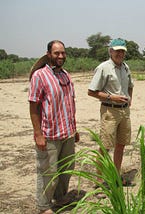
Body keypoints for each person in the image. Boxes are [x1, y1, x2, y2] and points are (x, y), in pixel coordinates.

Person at [28, 40, 79, 214]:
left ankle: (60, 197)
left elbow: (70, 103)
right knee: (48, 171)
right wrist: (38, 134)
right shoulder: (39, 76)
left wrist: (75, 128)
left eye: (63, 53)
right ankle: (43, 206)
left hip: (68, 132)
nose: (61, 56)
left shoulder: (66, 75)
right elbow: (33, 106)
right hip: (49, 134)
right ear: (49, 54)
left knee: (67, 167)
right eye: (57, 53)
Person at [88, 38, 134, 185]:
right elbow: (91, 91)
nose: (120, 53)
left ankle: (115, 175)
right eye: (117, 50)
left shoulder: (126, 67)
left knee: (121, 144)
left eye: (122, 51)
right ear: (111, 51)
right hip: (110, 111)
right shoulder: (103, 68)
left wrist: (129, 99)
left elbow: (131, 85)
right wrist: (111, 97)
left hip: (124, 111)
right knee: (105, 146)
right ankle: (99, 181)